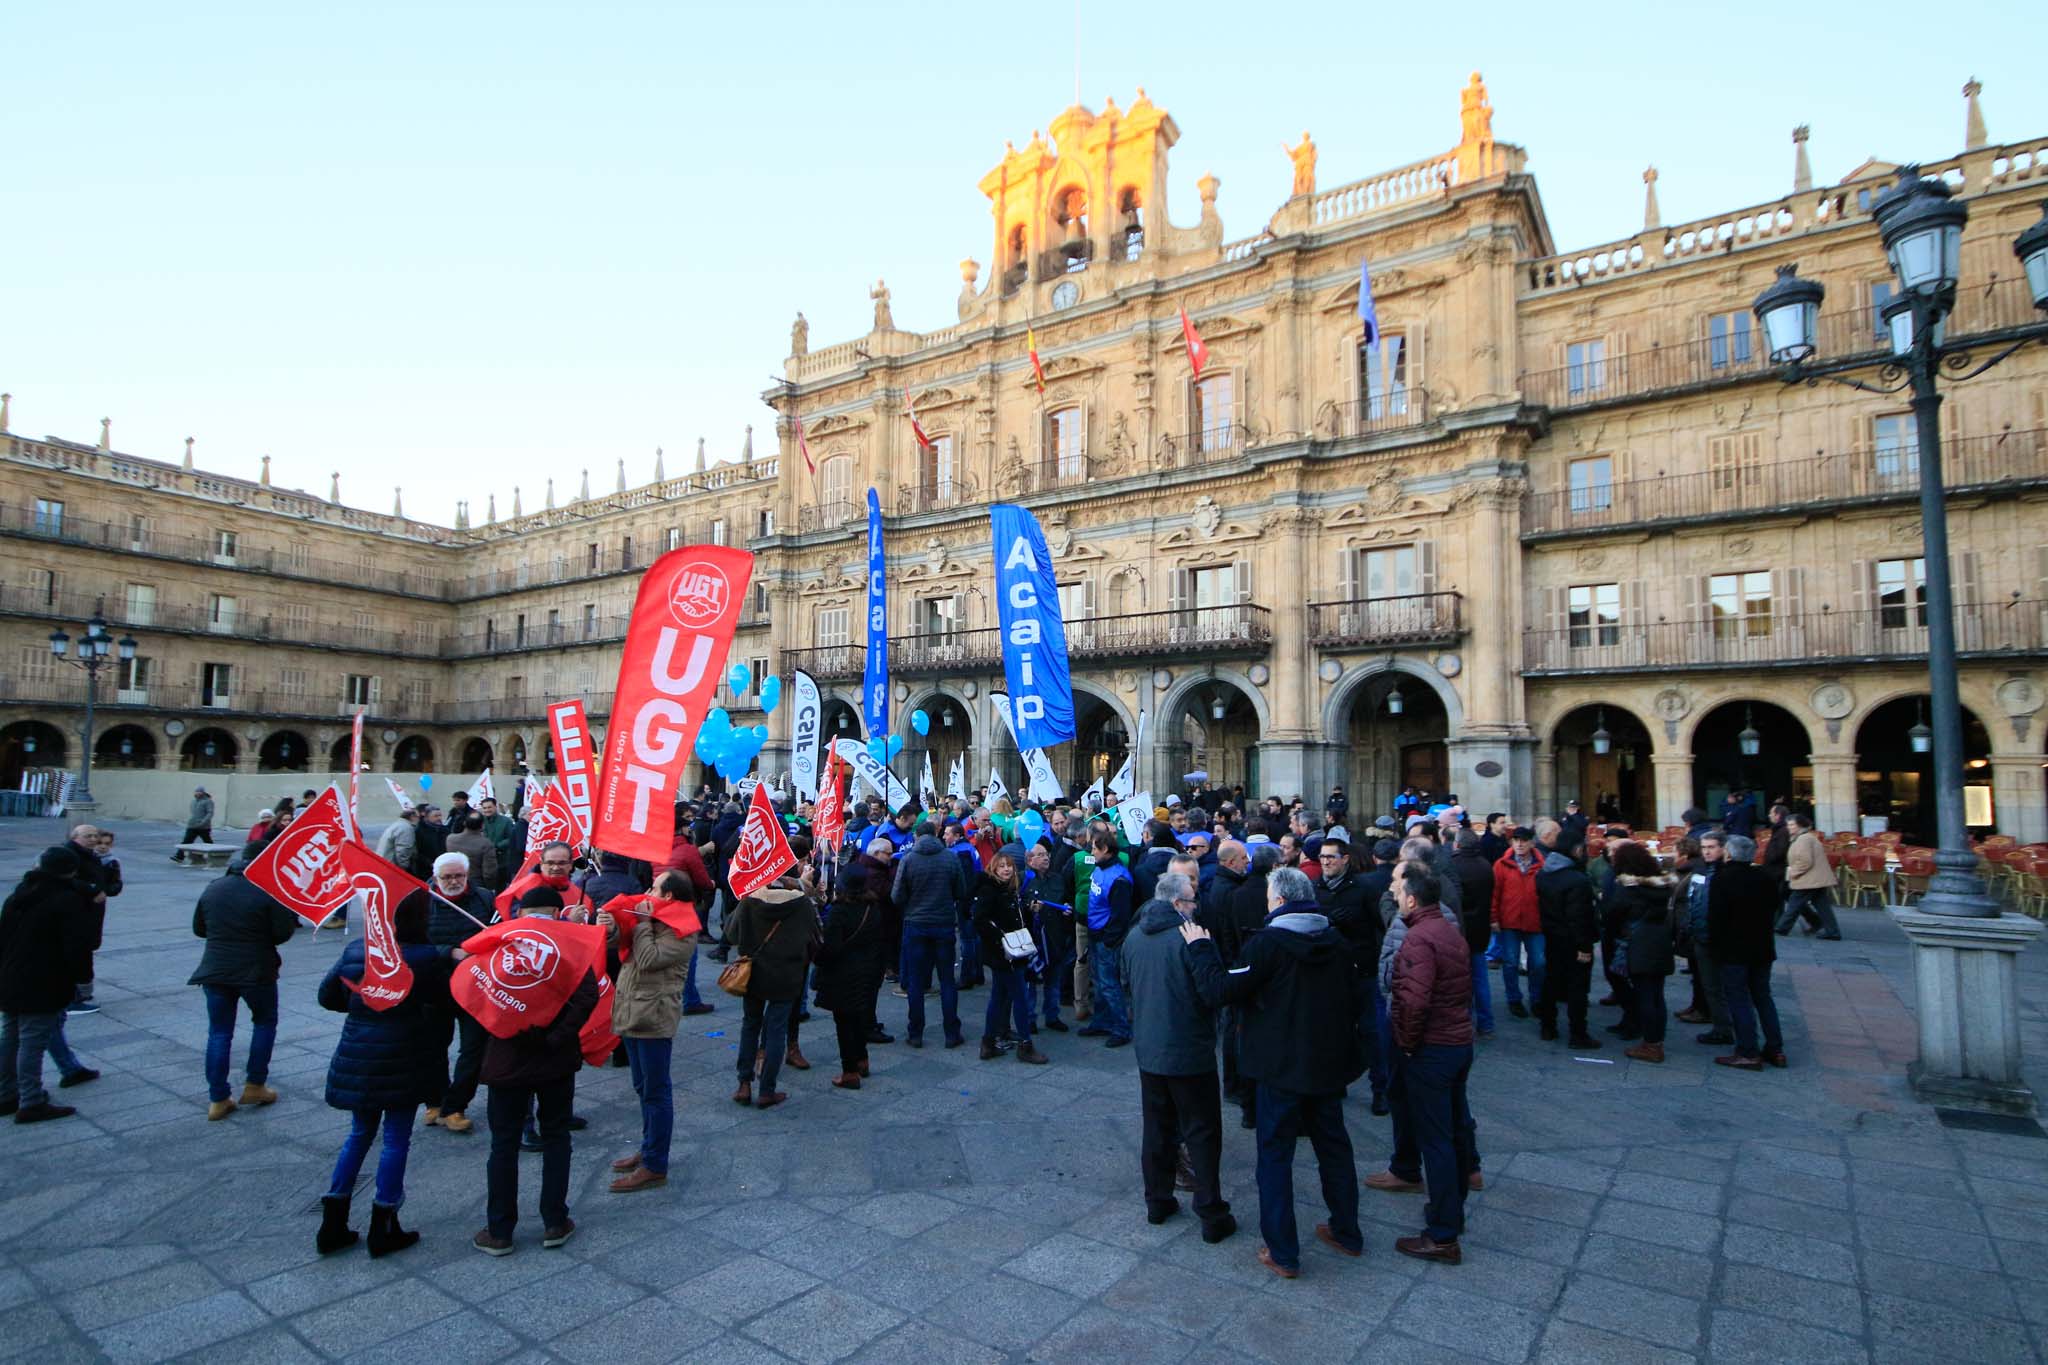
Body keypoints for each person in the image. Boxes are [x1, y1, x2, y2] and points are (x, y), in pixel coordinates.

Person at [1181, 866, 1363, 1279]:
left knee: (1275, 1157)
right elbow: (1355, 999)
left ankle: (1283, 1250)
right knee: (1334, 1147)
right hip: (1327, 1063)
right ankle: (1346, 1231)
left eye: (1268, 899)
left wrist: (1201, 949)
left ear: (1279, 902)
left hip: (1280, 1066)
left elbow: (1221, 991)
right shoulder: (1335, 940)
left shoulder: (1268, 945)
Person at [315, 893, 453, 1256]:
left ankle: (332, 1223)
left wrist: (364, 1006)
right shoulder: (423, 957)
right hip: (403, 1054)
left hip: (359, 1051)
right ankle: (384, 1223)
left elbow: (327, 996)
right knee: (395, 1139)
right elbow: (445, 999)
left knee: (359, 1134)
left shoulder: (359, 950)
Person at [471, 886, 600, 1256]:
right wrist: (556, 1037)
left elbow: (476, 995)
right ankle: (555, 1221)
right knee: (556, 1136)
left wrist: (505, 1029)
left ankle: (500, 1230)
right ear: (558, 914)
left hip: (507, 1059)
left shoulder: (499, 945)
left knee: (504, 1143)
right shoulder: (570, 947)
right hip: (554, 1060)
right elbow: (587, 995)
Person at [1121, 871, 1235, 1242]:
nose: (1195, 907)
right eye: (1191, 901)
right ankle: (1211, 1212)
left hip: (1150, 1050)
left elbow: (1128, 987)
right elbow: (1213, 992)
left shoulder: (1135, 936)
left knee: (1157, 1129)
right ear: (1176, 904)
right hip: (1188, 1051)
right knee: (1201, 1132)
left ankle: (1157, 1200)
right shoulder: (1190, 939)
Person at [1375, 860, 1478, 1264]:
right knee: (1452, 1130)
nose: (1395, 898)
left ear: (1413, 898)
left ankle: (1442, 1235)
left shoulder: (1419, 939)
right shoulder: (1448, 930)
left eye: (1399, 894)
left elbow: (1414, 1001)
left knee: (1435, 1139)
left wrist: (1407, 1042)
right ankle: (1449, 1211)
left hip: (1432, 1047)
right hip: (1456, 1041)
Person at [600, 871, 698, 1191]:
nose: (646, 892)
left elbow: (648, 958)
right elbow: (619, 944)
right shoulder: (653, 916)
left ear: (668, 896)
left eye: (654, 888)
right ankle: (647, 1149)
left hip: (654, 1017)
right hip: (632, 1010)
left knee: (656, 1091)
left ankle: (656, 1164)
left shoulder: (683, 927)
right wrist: (612, 924)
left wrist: (641, 922)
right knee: (643, 1087)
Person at [189, 849, 298, 1120]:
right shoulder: (269, 890)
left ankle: (218, 1097)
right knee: (263, 1022)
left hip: (216, 969)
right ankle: (255, 1084)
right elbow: (282, 933)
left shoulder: (215, 887)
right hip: (256, 970)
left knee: (219, 1033)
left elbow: (199, 928)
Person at [0, 847, 104, 1122]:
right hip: (43, 980)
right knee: (33, 1041)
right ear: (71, 871)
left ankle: (6, 1094)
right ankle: (31, 1101)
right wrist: (81, 980)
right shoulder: (65, 900)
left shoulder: (20, 894)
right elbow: (76, 946)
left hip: (10, 975)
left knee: (10, 1037)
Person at [421, 852, 497, 1134]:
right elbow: (409, 946)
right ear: (435, 877)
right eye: (447, 877)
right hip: (434, 987)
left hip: (474, 987)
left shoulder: (484, 898)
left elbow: (497, 934)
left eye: (458, 876)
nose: (453, 881)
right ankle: (435, 1101)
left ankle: (456, 1106)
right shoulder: (421, 901)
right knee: (432, 1049)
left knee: (474, 1050)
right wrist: (449, 952)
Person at [729, 876, 819, 1107]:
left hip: (754, 973)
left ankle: (744, 1083)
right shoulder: (802, 904)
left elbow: (730, 933)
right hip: (787, 974)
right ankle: (767, 1090)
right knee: (777, 1030)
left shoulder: (750, 901)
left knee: (750, 1024)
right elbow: (815, 936)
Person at [816, 840, 894, 1088]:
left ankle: (849, 1071)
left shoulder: (839, 912)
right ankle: (862, 1059)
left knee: (844, 1022)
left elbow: (831, 948)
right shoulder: (873, 907)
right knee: (860, 1017)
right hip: (868, 970)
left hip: (843, 973)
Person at [1710, 835, 1785, 1070]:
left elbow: (1716, 917)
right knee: (1763, 996)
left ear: (1728, 853)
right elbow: (1775, 908)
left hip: (1733, 949)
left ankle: (1747, 1050)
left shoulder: (1722, 878)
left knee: (1739, 998)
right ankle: (1775, 1048)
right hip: (1762, 946)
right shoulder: (1765, 877)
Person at [893, 823, 968, 1049]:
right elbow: (961, 891)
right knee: (947, 980)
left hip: (916, 923)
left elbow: (896, 896)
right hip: (943, 923)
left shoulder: (908, 859)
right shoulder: (950, 858)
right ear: (936, 835)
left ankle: (915, 1033)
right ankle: (951, 1032)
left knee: (916, 981)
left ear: (917, 836)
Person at [971, 853, 1050, 1064]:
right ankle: (1025, 1044)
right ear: (994, 868)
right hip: (1005, 954)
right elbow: (980, 920)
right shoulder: (989, 890)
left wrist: (1027, 908)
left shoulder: (1008, 890)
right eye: (1002, 866)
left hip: (1011, 952)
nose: (1006, 870)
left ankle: (988, 1042)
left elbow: (1008, 914)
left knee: (999, 996)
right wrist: (1001, 939)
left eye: (1010, 866)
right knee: (1020, 997)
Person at [1604, 843, 1678, 1064]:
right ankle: (1657, 1040)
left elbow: (1612, 914)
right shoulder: (1661, 886)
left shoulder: (1627, 887)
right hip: (1660, 941)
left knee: (1645, 995)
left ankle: (1651, 1044)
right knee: (1657, 994)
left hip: (1638, 943)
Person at [1532, 819, 1599, 1050]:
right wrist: (1584, 946)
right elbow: (1578, 917)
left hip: (1552, 935)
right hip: (1572, 939)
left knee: (1552, 981)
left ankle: (1547, 1025)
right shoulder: (1577, 880)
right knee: (1577, 988)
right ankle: (1578, 1033)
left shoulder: (1544, 874)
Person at [1674, 834, 1736, 1046]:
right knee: (1710, 984)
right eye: (1704, 847)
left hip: (1719, 936)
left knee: (1722, 985)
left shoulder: (1725, 873)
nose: (1707, 851)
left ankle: (1726, 1027)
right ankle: (1722, 1025)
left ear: (1723, 849)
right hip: (1701, 934)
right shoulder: (1700, 870)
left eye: (1712, 847)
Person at [1078, 831, 1136, 1048]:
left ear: (1106, 850)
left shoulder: (1119, 878)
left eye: (1094, 848)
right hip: (1096, 934)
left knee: (1109, 984)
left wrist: (1108, 940)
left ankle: (1121, 1028)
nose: (1091, 852)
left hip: (1106, 938)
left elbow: (1120, 915)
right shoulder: (1100, 868)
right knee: (1099, 982)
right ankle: (1101, 1021)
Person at [1447, 832, 1496, 1039]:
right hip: (1480, 929)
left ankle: (1464, 1022)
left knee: (1459, 981)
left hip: (1460, 929)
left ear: (1457, 845)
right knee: (1480, 978)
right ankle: (1486, 1023)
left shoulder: (1453, 865)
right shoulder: (1486, 865)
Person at [1028, 841, 1075, 1032]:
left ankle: (1052, 1015)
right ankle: (1029, 1018)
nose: (1046, 857)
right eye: (1040, 855)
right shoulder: (1024, 880)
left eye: (1046, 854)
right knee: (1030, 980)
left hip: (1054, 936)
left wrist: (1067, 908)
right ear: (1030, 860)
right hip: (1034, 938)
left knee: (1053, 979)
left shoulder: (1057, 879)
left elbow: (1066, 899)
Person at [1777, 813, 1843, 939]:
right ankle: (1832, 931)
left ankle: (1782, 927)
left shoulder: (1804, 839)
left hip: (1809, 878)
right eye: (1788, 825)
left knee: (1795, 903)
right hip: (1815, 878)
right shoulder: (1806, 837)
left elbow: (1805, 861)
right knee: (1822, 906)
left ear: (1800, 826)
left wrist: (1793, 873)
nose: (1788, 827)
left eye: (1791, 825)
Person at [447, 814, 499, 891]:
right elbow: (489, 872)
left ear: (464, 823)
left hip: (455, 880)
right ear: (482, 826)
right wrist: (490, 888)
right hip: (477, 883)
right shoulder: (486, 844)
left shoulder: (450, 839)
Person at [174, 786, 216, 861]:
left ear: (203, 792)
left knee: (207, 842)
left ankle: (215, 855)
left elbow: (210, 813)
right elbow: (193, 813)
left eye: (199, 791)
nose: (197, 793)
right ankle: (179, 857)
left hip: (204, 827)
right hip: (192, 826)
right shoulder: (194, 801)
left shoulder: (208, 801)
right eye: (196, 791)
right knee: (186, 841)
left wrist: (203, 822)